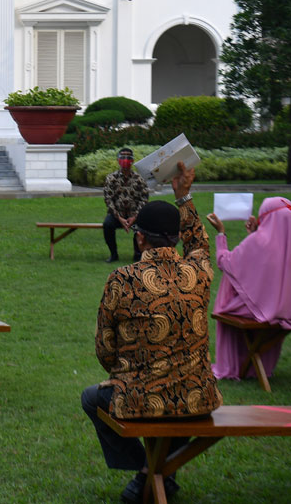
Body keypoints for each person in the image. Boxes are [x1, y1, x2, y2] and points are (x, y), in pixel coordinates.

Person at [81, 162, 222, 504]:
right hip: (197, 398)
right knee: (178, 407)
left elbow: (105, 350)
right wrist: (183, 195)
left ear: (140, 237)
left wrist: (126, 374)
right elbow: (200, 243)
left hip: (139, 399)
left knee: (92, 398)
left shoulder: (122, 279)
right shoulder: (199, 273)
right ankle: (163, 470)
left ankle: (148, 471)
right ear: (175, 238)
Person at [206, 197, 291, 380]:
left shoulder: (260, 241)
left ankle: (234, 365)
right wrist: (254, 234)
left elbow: (224, 262)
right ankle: (255, 367)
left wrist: (221, 233)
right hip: (288, 311)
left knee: (229, 294)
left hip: (261, 310)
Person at [102, 147, 149, 263]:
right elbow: (108, 199)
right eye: (122, 157)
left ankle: (137, 254)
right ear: (118, 160)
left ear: (132, 161)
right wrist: (119, 217)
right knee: (107, 225)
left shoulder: (139, 179)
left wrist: (135, 217)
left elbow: (144, 199)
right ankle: (113, 254)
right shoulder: (111, 178)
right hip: (117, 215)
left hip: (135, 215)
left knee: (141, 227)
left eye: (128, 157)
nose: (125, 160)